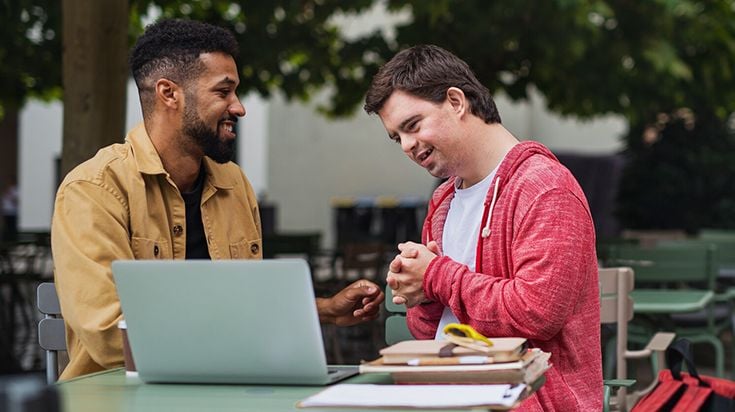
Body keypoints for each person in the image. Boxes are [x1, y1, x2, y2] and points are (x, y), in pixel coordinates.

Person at [51, 19, 384, 380]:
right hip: (121, 395)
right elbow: (109, 336)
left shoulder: (234, 183)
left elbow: (244, 301)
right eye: (223, 92)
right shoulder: (93, 189)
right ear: (169, 94)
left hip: (227, 386)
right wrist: (239, 338)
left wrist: (321, 310)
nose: (238, 107)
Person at [364, 45, 601, 411]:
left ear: (457, 102)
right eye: (398, 137)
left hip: (523, 401)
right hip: (443, 393)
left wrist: (436, 277)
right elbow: (429, 329)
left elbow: (537, 314)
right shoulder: (443, 201)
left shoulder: (546, 186)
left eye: (412, 126)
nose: (408, 145)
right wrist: (423, 294)